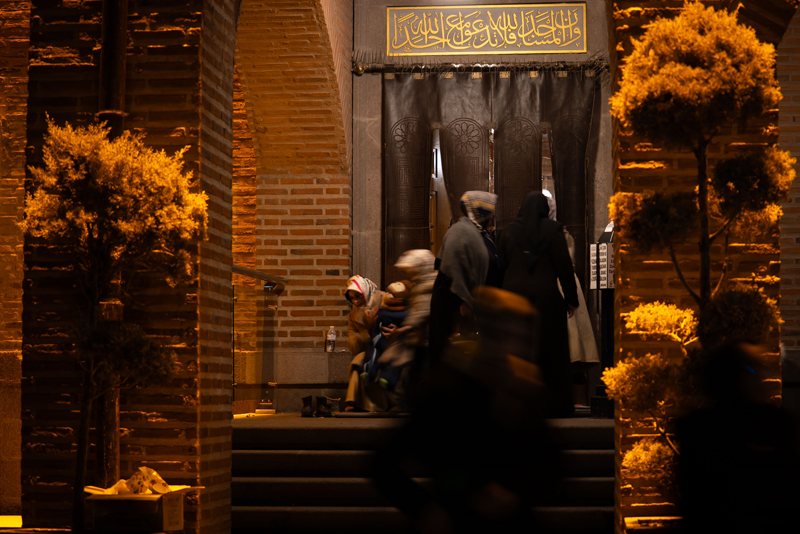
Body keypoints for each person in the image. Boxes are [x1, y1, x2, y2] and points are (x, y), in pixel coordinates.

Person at [498, 191, 579, 418]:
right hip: (547, 298)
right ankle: (554, 405)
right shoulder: (553, 231)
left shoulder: (507, 232)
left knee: (517, 349)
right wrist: (571, 300)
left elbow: (501, 264)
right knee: (551, 350)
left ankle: (514, 404)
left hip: (513, 297)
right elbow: (564, 267)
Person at [429, 191, 503, 363]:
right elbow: (452, 269)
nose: (493, 215)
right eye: (489, 210)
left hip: (474, 305)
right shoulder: (460, 231)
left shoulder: (480, 232)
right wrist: (465, 303)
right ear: (479, 211)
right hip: (454, 307)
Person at [344, 275, 388, 412]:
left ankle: (383, 404)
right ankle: (359, 403)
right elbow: (353, 346)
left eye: (358, 296)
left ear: (365, 291)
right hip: (370, 348)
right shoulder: (353, 315)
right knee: (358, 361)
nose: (355, 301)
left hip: (389, 344)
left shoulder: (384, 299)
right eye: (351, 298)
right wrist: (366, 330)